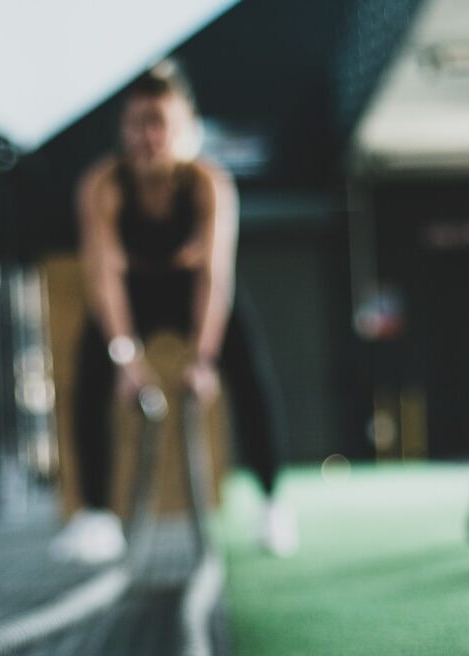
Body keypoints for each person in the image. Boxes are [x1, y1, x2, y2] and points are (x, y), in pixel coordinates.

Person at [50, 60, 297, 564]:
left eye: (159, 123)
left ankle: (272, 503)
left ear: (184, 129)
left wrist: (203, 362)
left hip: (192, 293)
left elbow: (214, 277)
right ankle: (96, 516)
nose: (148, 137)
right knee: (89, 371)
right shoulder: (103, 186)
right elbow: (103, 279)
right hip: (133, 294)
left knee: (249, 371)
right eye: (138, 124)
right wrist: (126, 361)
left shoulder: (208, 184)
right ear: (124, 130)